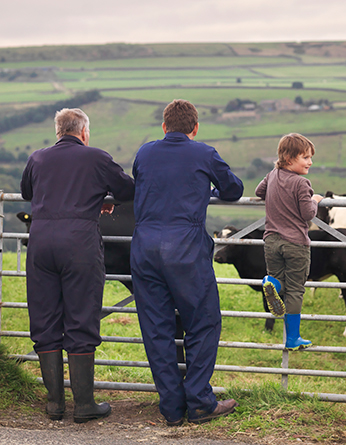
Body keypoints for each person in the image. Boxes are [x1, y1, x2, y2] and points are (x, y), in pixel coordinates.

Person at [130, 99, 244, 426]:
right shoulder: (203, 153)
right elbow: (233, 189)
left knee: (156, 328)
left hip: (145, 247)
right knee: (203, 322)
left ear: (164, 127)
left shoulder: (144, 153)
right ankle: (200, 401)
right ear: (195, 128)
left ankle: (171, 408)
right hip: (185, 248)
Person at [20, 108, 134, 423]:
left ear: (58, 131)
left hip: (41, 243)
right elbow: (128, 190)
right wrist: (102, 197)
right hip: (79, 243)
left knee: (45, 320)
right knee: (81, 317)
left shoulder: (38, 158)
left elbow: (27, 192)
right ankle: (84, 405)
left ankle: (55, 404)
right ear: (83, 132)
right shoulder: (96, 158)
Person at [255, 133, 323, 351]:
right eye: (305, 157)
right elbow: (307, 214)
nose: (310, 162)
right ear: (289, 158)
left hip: (272, 241)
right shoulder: (302, 183)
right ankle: (292, 339)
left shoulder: (272, 175)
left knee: (281, 282)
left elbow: (259, 192)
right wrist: (315, 200)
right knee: (295, 290)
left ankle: (272, 283)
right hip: (295, 244)